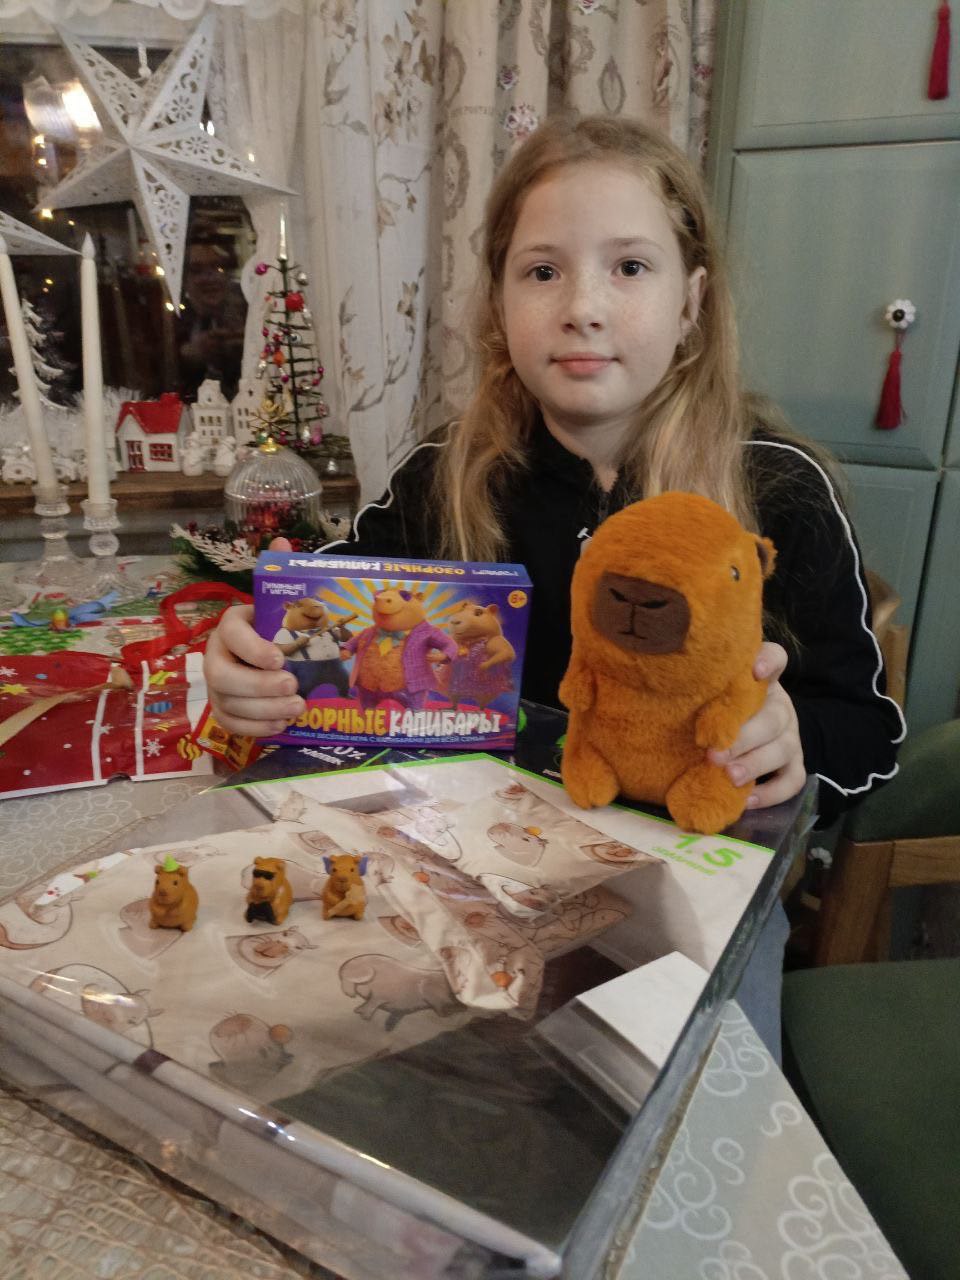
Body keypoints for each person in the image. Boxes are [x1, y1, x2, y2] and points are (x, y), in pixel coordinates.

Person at [203, 115, 903, 1051]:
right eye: (542, 271)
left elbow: (867, 731)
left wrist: (794, 742)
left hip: (693, 907)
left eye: (630, 267)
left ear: (692, 302)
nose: (583, 307)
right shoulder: (444, 475)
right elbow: (314, 618)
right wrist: (256, 663)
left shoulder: (778, 487)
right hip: (464, 883)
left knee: (684, 1111)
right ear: (499, 302)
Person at [176, 238, 246, 400]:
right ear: (183, 279)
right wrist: (188, 355)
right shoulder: (172, 320)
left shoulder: (250, 312)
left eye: (218, 267)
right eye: (196, 270)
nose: (209, 278)